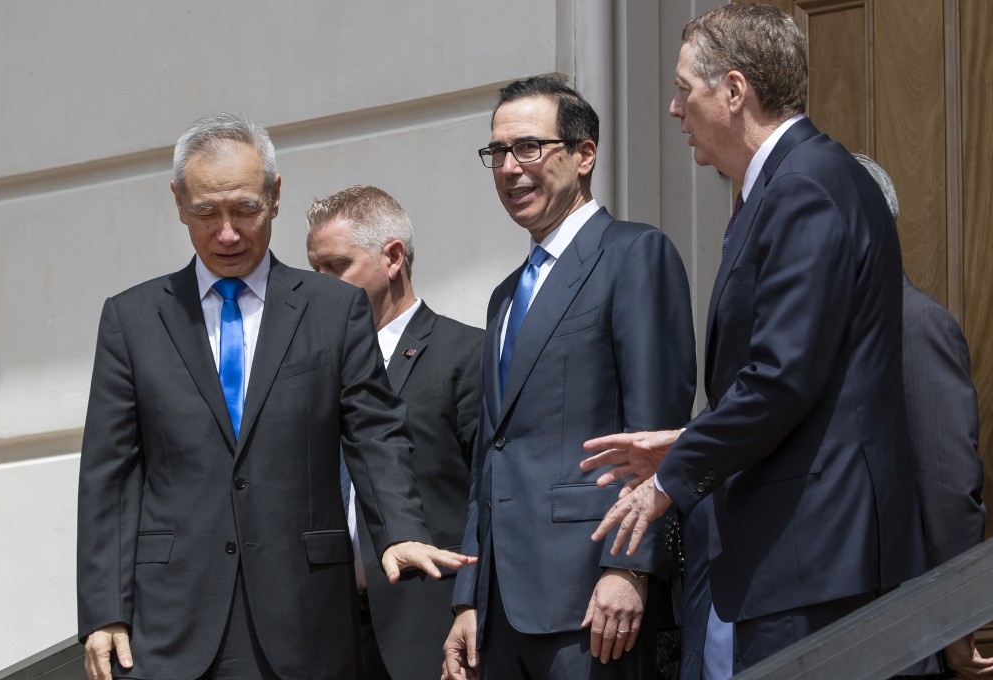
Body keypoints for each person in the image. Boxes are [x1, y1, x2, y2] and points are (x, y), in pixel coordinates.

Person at [581, 4, 927, 671]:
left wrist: (669, 482)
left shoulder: (805, 188)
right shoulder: (791, 184)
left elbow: (782, 377)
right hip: (804, 553)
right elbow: (805, 378)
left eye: (684, 89)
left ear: (734, 91)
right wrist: (685, 441)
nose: (675, 109)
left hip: (819, 553)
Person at [76, 113, 474, 680]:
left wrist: (401, 529)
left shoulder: (333, 309)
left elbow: (375, 434)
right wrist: (104, 611)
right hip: (170, 625)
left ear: (276, 195)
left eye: (245, 209)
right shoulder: (133, 319)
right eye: (206, 212)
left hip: (305, 618)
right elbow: (110, 476)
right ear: (178, 202)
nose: (228, 232)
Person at [442, 76, 696, 680]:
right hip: (501, 610)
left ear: (585, 156)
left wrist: (630, 569)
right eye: (497, 152)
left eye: (528, 147)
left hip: (594, 601)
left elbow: (655, 432)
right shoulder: (505, 297)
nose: (509, 168)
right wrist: (469, 597)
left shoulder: (635, 255)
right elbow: (490, 457)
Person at [306, 185, 484, 680]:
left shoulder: (466, 354)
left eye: (336, 267)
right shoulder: (307, 370)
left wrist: (472, 610)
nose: (321, 285)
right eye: (313, 269)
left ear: (392, 257)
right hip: (325, 634)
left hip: (429, 629)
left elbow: (488, 497)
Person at [853, 153, 993, 678]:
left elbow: (948, 489)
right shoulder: (814, 336)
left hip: (897, 637)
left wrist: (955, 624)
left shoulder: (915, 327)